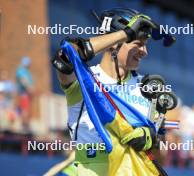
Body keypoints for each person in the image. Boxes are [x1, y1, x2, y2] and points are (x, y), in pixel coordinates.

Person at [51, 8, 175, 176]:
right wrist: (125, 33)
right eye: (138, 44)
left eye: (145, 45)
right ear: (115, 44)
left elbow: (159, 161)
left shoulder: (148, 88)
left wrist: (155, 137)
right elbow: (66, 55)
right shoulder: (85, 78)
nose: (145, 52)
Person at [16, 56, 34, 131]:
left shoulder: (26, 71)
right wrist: (29, 89)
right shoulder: (21, 71)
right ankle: (24, 125)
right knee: (24, 109)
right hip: (24, 94)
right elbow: (24, 81)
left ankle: (26, 125)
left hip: (27, 94)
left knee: (26, 109)